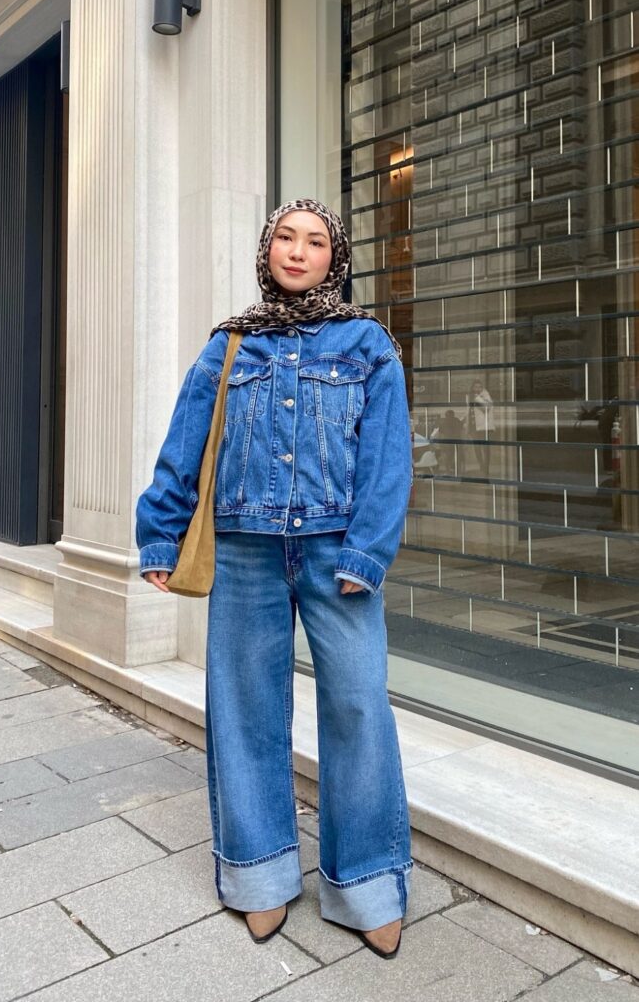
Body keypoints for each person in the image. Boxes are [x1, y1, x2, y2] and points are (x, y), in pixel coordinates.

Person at [135, 199, 412, 960]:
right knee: (246, 711)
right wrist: (159, 533)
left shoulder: (366, 344)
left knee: (357, 706)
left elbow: (388, 462)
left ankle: (366, 885)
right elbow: (184, 443)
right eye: (285, 238)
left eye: (315, 240)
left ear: (335, 257)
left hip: (335, 554)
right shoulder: (228, 344)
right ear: (267, 252)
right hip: (244, 551)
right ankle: (258, 875)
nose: (298, 251)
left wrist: (365, 554)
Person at [466, 378, 494, 474]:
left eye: (480, 387)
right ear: (472, 387)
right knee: (477, 448)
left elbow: (487, 408)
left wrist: (478, 397)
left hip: (483, 427)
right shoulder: (469, 396)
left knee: (485, 448)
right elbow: (468, 411)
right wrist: (466, 424)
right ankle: (481, 465)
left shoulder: (485, 395)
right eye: (475, 387)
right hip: (473, 427)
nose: (477, 388)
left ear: (482, 388)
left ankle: (486, 468)